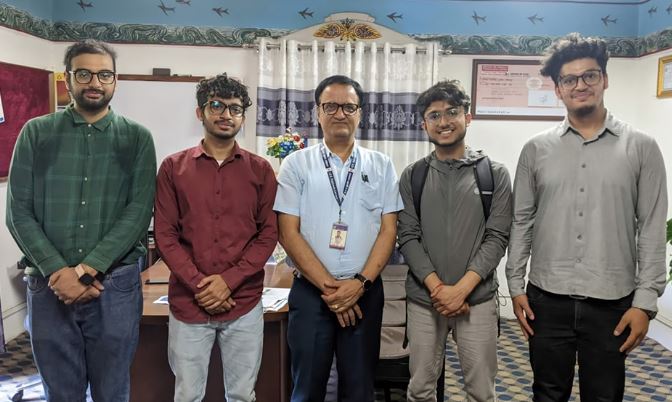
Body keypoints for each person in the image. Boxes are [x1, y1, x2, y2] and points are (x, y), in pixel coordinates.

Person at [505, 33, 668, 401]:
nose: (580, 86)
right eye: (569, 79)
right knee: (547, 393)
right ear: (558, 89)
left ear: (605, 79)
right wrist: (515, 285)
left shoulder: (642, 147)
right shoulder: (536, 149)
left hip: (612, 302)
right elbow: (522, 221)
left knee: (604, 395)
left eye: (589, 75)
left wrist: (644, 302)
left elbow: (652, 228)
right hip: (546, 299)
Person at [6, 39, 156, 402]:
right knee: (61, 393)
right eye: (84, 74)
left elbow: (138, 212)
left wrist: (88, 270)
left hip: (114, 288)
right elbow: (18, 212)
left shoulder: (137, 138)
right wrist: (59, 272)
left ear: (115, 80)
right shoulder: (36, 133)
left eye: (104, 75)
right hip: (49, 286)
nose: (95, 82)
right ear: (68, 78)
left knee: (112, 392)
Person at [274, 75, 403, 402]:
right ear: (318, 112)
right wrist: (333, 290)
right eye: (330, 106)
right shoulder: (296, 165)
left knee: (359, 390)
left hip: (364, 292)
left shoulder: (381, 165)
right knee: (306, 389)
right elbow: (288, 232)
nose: (340, 113)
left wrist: (358, 285)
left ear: (360, 113)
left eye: (348, 107)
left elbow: (389, 230)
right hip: (310, 293)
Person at [154, 73, 278, 402]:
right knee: (187, 395)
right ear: (200, 112)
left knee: (242, 395)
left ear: (243, 117)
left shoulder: (261, 170)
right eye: (217, 106)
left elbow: (267, 235)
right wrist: (201, 285)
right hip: (189, 304)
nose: (226, 114)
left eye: (235, 109)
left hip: (243, 303)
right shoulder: (173, 168)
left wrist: (229, 281)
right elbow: (165, 235)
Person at [397, 80, 512, 402]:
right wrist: (438, 289)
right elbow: (408, 236)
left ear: (467, 117)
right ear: (424, 124)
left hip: (477, 299)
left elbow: (497, 237)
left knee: (481, 392)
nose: (443, 121)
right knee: (420, 389)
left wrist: (461, 290)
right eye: (434, 115)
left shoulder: (494, 174)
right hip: (424, 299)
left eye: (452, 112)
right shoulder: (413, 176)